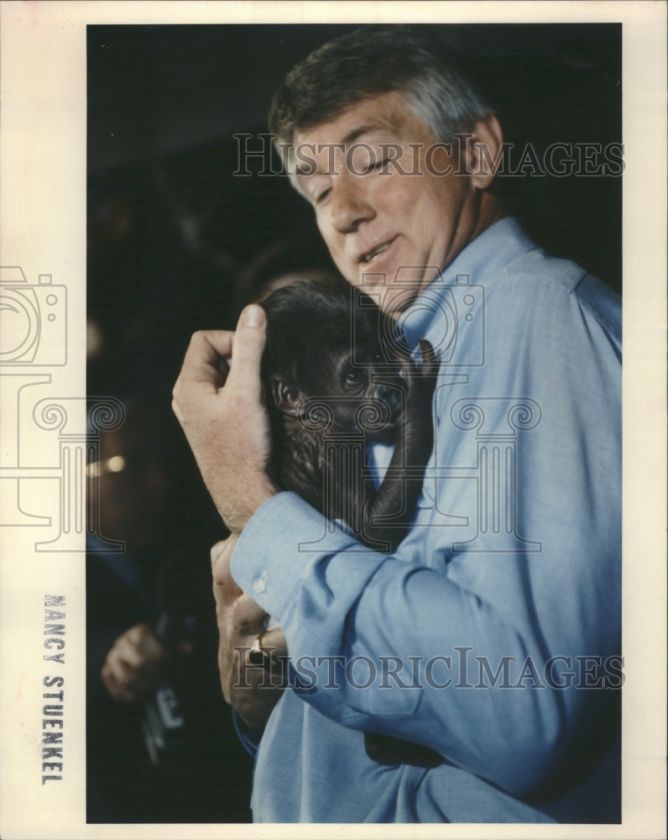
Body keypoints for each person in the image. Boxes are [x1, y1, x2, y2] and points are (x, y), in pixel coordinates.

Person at [172, 27, 621, 823]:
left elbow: (524, 715)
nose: (342, 212)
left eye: (374, 162)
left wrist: (250, 498)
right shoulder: (414, 360)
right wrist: (266, 708)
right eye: (314, 191)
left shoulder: (533, 314)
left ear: (479, 153)